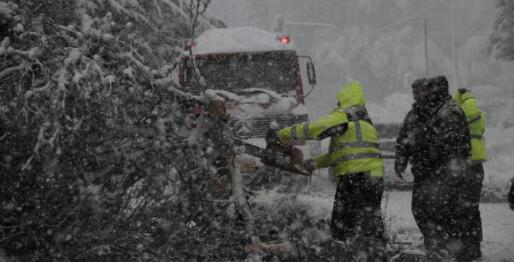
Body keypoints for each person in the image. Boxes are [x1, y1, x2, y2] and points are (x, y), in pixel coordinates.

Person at [270, 81, 387, 261]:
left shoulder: (345, 115)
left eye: (339, 102)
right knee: (370, 221)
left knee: (341, 225)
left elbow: (314, 128)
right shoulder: (364, 123)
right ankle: (375, 254)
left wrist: (283, 134)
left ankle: (345, 254)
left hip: (354, 178)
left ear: (344, 100)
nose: (337, 106)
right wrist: (315, 163)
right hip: (374, 178)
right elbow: (340, 155)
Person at [395, 76, 471, 261]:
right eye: (414, 92)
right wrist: (401, 160)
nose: (416, 95)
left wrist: (438, 161)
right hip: (424, 172)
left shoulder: (446, 111)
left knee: (442, 211)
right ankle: (435, 244)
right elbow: (404, 139)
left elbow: (453, 145)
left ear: (430, 91)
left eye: (419, 91)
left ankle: (444, 247)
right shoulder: (416, 113)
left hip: (442, 173)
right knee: (420, 209)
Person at [451, 88, 487, 260]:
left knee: (461, 209)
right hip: (477, 166)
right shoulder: (479, 114)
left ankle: (464, 248)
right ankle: (475, 245)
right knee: (472, 208)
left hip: (464, 164)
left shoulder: (459, 113)